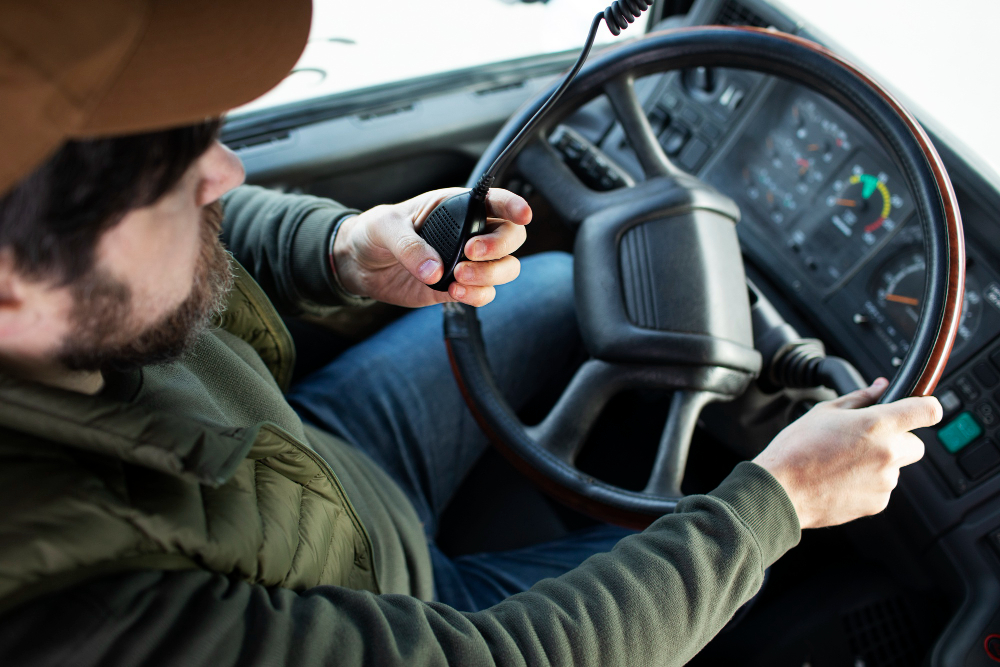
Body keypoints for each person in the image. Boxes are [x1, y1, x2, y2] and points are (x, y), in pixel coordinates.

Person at [0, 0, 942, 665]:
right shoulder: (71, 616)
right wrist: (778, 498)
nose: (226, 172)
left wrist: (340, 247)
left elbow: (209, 226)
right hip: (410, 609)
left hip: (314, 455)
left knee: (558, 282)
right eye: (164, 171)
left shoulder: (56, 276)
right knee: (760, 570)